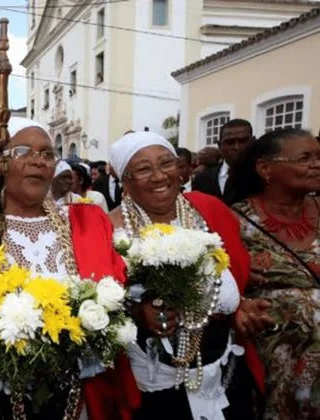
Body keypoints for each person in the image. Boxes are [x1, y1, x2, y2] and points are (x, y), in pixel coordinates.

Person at [0, 117, 139, 420]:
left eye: (47, 154)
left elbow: (115, 295)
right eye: (23, 151)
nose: (38, 161)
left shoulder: (83, 223)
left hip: (74, 396)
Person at [107, 131, 269, 420]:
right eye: (143, 169)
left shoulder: (208, 208)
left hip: (224, 366)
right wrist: (136, 312)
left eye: (166, 163)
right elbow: (102, 304)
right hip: (155, 381)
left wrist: (240, 305)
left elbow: (233, 272)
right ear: (125, 180)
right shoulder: (109, 229)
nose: (159, 176)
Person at [228, 128, 320, 420]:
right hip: (273, 371)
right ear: (266, 169)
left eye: (318, 156)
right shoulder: (234, 221)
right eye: (305, 158)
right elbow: (219, 286)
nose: (316, 164)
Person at [193, 119, 254, 204]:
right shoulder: (202, 179)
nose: (236, 147)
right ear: (219, 145)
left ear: (253, 141)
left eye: (243, 141)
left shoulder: (264, 177)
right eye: (230, 142)